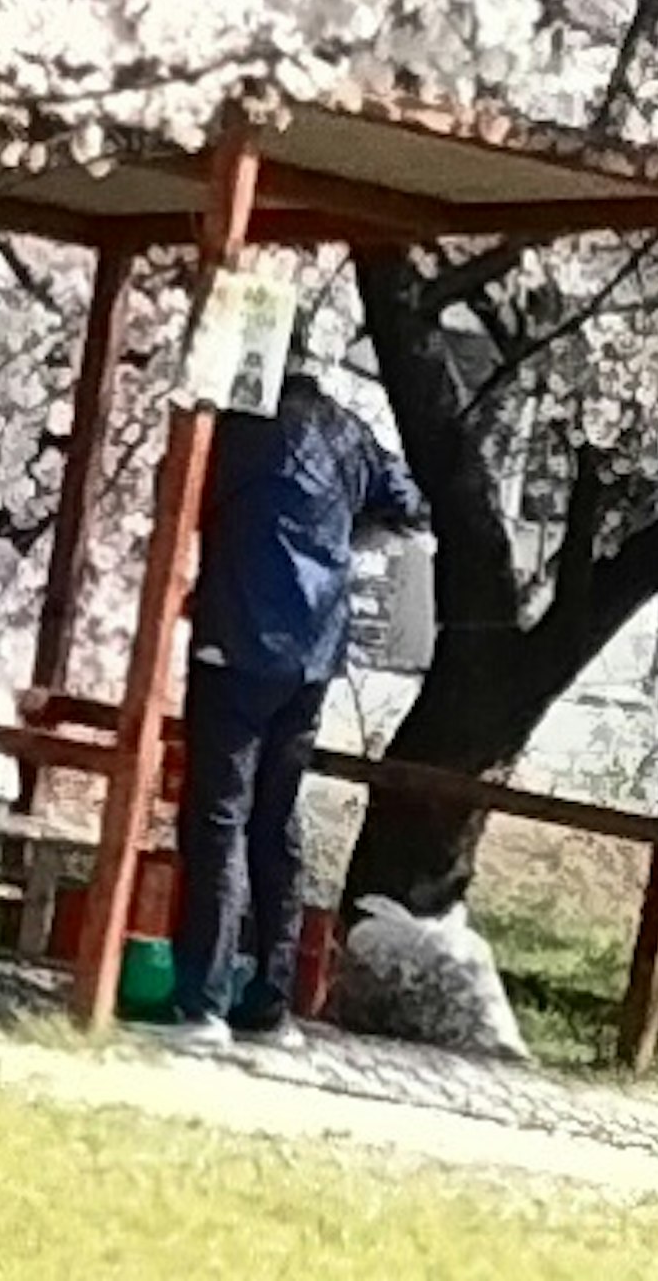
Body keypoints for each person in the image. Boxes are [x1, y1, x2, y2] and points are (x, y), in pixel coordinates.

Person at [165, 351, 424, 1042]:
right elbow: (408, 505)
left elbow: (185, 498)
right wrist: (348, 530)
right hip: (312, 656)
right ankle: (269, 1001)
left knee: (218, 817)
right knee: (276, 821)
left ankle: (200, 999)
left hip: (237, 640)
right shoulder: (348, 433)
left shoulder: (241, 430)